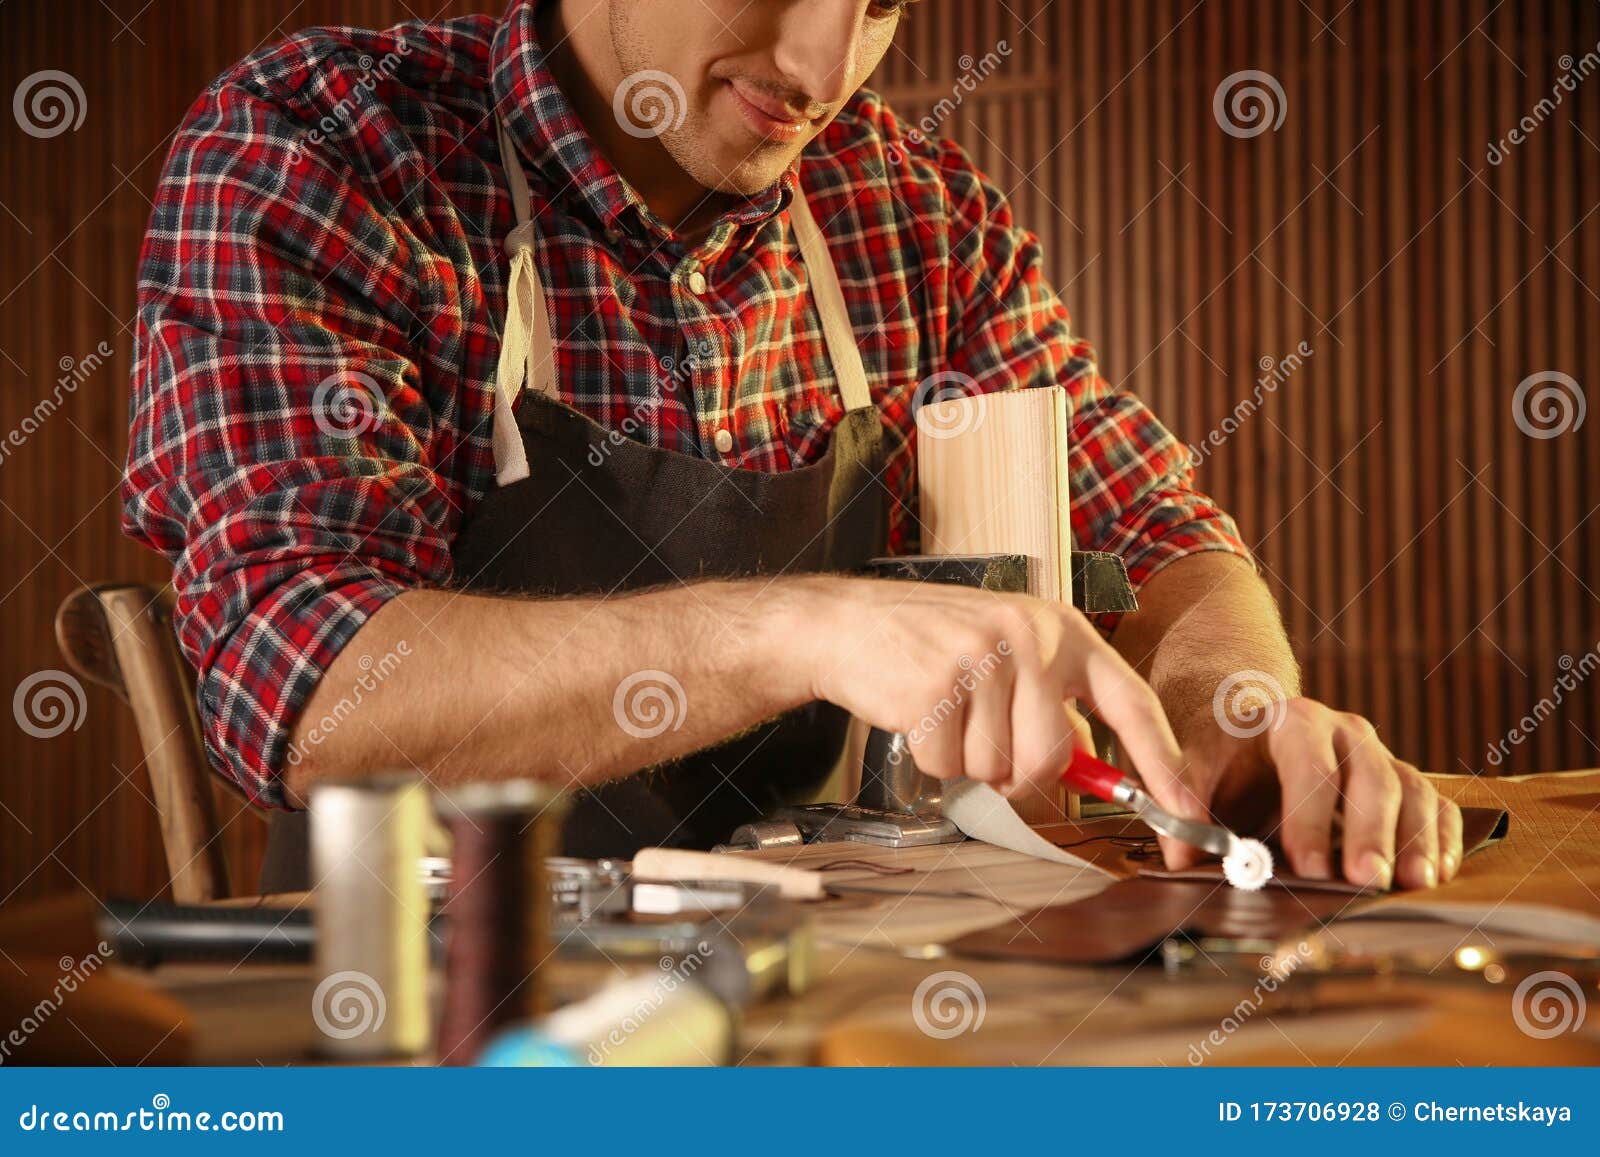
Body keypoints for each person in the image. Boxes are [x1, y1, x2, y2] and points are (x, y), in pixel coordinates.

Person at [123, 0, 1460, 889]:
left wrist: (1234, 708)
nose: (822, 68)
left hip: (836, 991)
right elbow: (302, 687)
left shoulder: (912, 208)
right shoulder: (328, 142)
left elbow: (1150, 526)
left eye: (879, 2)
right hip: (448, 1015)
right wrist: (797, 629)